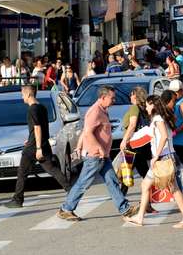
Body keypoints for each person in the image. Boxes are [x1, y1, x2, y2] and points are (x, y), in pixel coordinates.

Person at [57, 86, 139, 221]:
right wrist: (99, 148)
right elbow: (88, 132)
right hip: (95, 155)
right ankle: (66, 209)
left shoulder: (102, 110)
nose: (114, 100)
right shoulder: (95, 111)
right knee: (84, 182)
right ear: (103, 97)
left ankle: (125, 209)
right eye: (112, 98)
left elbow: (86, 131)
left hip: (102, 155)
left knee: (112, 181)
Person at [123, 95, 183, 228]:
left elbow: (164, 137)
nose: (146, 107)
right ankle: (140, 217)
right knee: (147, 185)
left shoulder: (157, 119)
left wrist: (155, 156)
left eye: (147, 105)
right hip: (166, 157)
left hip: (164, 159)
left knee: (172, 189)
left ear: (153, 105)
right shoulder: (160, 118)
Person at [4, 85, 71, 208]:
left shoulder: (32, 109)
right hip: (42, 143)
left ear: (28, 94)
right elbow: (40, 128)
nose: (22, 97)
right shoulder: (42, 107)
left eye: (23, 94)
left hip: (35, 147)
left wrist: (38, 147)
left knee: (22, 173)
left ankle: (17, 200)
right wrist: (30, 139)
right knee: (53, 169)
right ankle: (71, 191)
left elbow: (37, 127)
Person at [119, 87, 153, 203]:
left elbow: (132, 125)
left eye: (131, 94)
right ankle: (147, 201)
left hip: (133, 145)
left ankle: (120, 200)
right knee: (144, 173)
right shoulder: (144, 108)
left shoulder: (134, 107)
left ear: (136, 96)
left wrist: (124, 140)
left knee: (127, 173)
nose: (130, 97)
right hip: (142, 145)